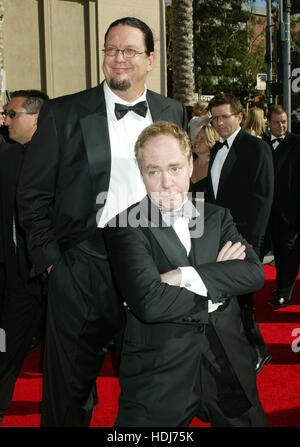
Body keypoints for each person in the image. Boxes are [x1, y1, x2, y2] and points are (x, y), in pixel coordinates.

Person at [17, 17, 188, 427]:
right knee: (67, 396)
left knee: (150, 394)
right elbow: (31, 195)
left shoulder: (171, 110)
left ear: (150, 58)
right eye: (111, 49)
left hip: (152, 270)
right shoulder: (63, 112)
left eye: (130, 50)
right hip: (82, 267)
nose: (119, 58)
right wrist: (54, 266)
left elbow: (179, 190)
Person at [103, 121, 268, 427]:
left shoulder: (217, 216)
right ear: (141, 174)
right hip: (160, 372)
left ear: (191, 165)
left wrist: (182, 275)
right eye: (154, 171)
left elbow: (253, 273)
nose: (166, 182)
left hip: (227, 363)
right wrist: (217, 286)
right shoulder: (124, 226)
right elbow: (150, 303)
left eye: (175, 168)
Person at [205, 93, 274, 374]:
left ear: (239, 117)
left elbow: (263, 198)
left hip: (244, 239)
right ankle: (240, 350)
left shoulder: (255, 148)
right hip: (218, 237)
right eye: (215, 118)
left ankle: (258, 350)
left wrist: (253, 245)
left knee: (243, 300)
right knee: (229, 300)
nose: (219, 123)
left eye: (224, 117)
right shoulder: (215, 150)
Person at [0, 90, 49, 424]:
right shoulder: (7, 158)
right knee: (5, 349)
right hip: (17, 275)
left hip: (60, 274)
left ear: (36, 118)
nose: (6, 119)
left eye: (12, 113)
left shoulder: (65, 160)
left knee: (69, 356)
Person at [263, 104, 300, 307]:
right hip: (267, 211)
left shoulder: (297, 143)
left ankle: (284, 293)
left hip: (291, 210)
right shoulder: (261, 144)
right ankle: (280, 289)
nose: (281, 126)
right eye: (276, 122)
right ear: (268, 123)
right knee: (277, 252)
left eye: (284, 122)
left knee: (288, 254)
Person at [190, 123, 219, 194]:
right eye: (196, 137)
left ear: (210, 142)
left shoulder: (215, 167)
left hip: (205, 205)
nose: (196, 141)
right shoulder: (189, 163)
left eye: (202, 139)